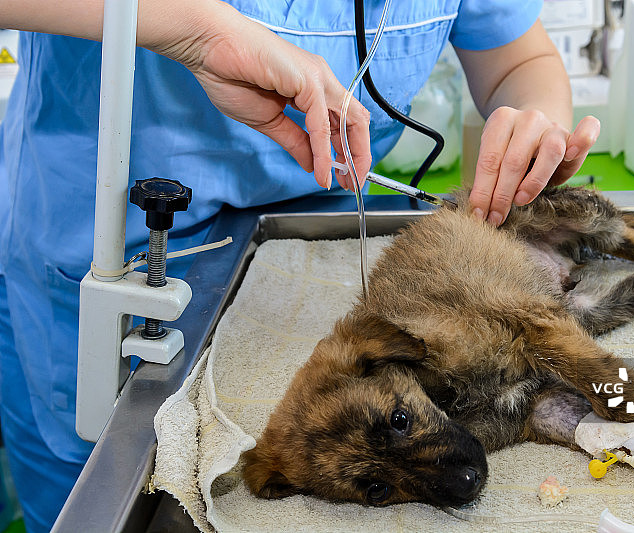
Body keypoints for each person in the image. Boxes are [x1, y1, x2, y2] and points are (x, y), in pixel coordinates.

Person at [0, 0, 600, 530]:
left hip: (325, 234)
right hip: (113, 254)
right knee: (101, 493)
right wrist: (198, 33)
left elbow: (518, 60)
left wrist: (534, 118)